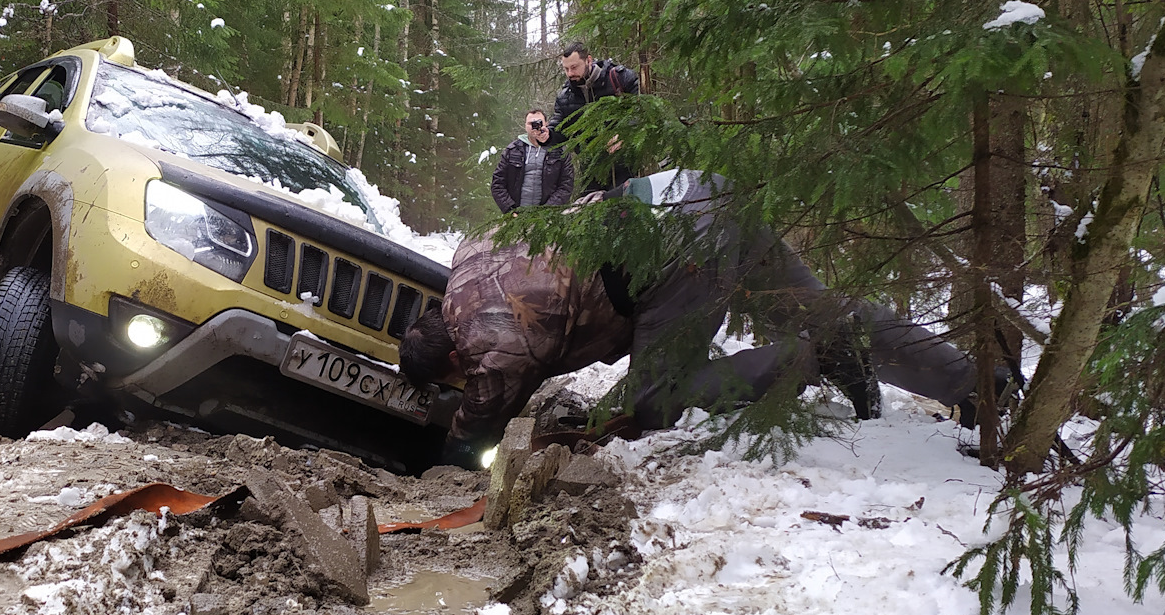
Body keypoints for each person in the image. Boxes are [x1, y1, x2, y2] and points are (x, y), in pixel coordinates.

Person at [400, 169, 995, 465]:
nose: (468, 376)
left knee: (656, 400)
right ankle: (970, 382)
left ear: (453, 356)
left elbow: (485, 411)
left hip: (672, 252)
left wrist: (442, 454)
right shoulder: (468, 254)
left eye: (457, 374)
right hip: (694, 191)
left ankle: (814, 359)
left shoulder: (494, 339)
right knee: (817, 307)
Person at [550, 41, 642, 193]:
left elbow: (642, 110)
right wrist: (546, 135)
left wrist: (625, 133)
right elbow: (559, 129)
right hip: (590, 171)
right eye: (566, 69)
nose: (570, 73)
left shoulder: (621, 79)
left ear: (589, 60)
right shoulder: (565, 97)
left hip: (626, 165)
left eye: (574, 67)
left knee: (624, 211)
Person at [490, 109, 575, 213]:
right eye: (531, 123)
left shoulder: (559, 150)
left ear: (546, 124)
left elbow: (566, 184)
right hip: (517, 215)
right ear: (525, 125)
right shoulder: (512, 150)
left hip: (550, 216)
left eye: (539, 123)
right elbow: (497, 183)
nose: (535, 126)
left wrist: (548, 210)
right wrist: (510, 210)